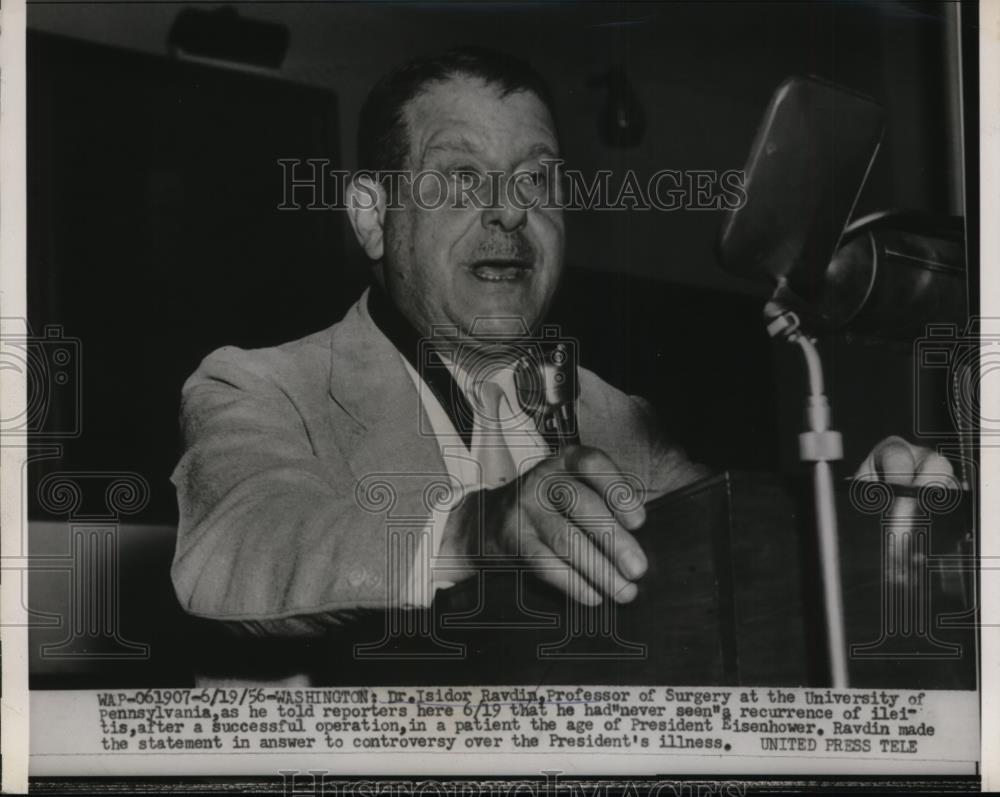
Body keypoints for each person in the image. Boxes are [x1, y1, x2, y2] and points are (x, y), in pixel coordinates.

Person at [171, 47, 951, 651]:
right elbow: (234, 554)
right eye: (460, 179)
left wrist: (862, 518)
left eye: (538, 181)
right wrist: (474, 533)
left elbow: (741, 557)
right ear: (373, 216)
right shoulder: (254, 387)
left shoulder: (623, 421)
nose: (510, 210)